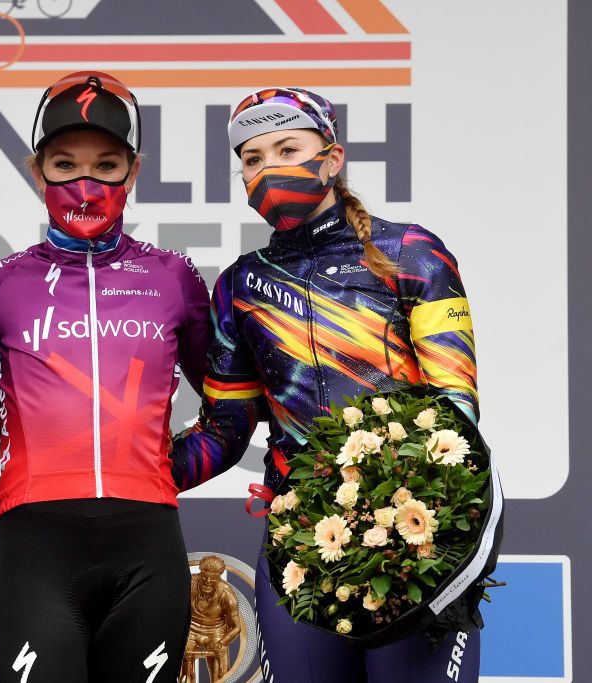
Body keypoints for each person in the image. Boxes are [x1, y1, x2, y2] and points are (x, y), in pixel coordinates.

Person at [171, 87, 482, 682]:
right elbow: (226, 429)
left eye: (288, 148)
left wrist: (415, 509)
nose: (269, 169)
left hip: (416, 536)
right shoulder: (241, 285)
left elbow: (457, 407)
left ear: (332, 159)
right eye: (253, 159)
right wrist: (137, 473)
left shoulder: (412, 252)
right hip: (301, 546)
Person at [0, 71, 212, 682]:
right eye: (64, 164)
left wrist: (165, 465)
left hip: (147, 542)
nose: (85, 183)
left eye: (106, 165)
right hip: (38, 540)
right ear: (37, 172)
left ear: (133, 172)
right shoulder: (0, 282)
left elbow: (232, 404)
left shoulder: (173, 277)